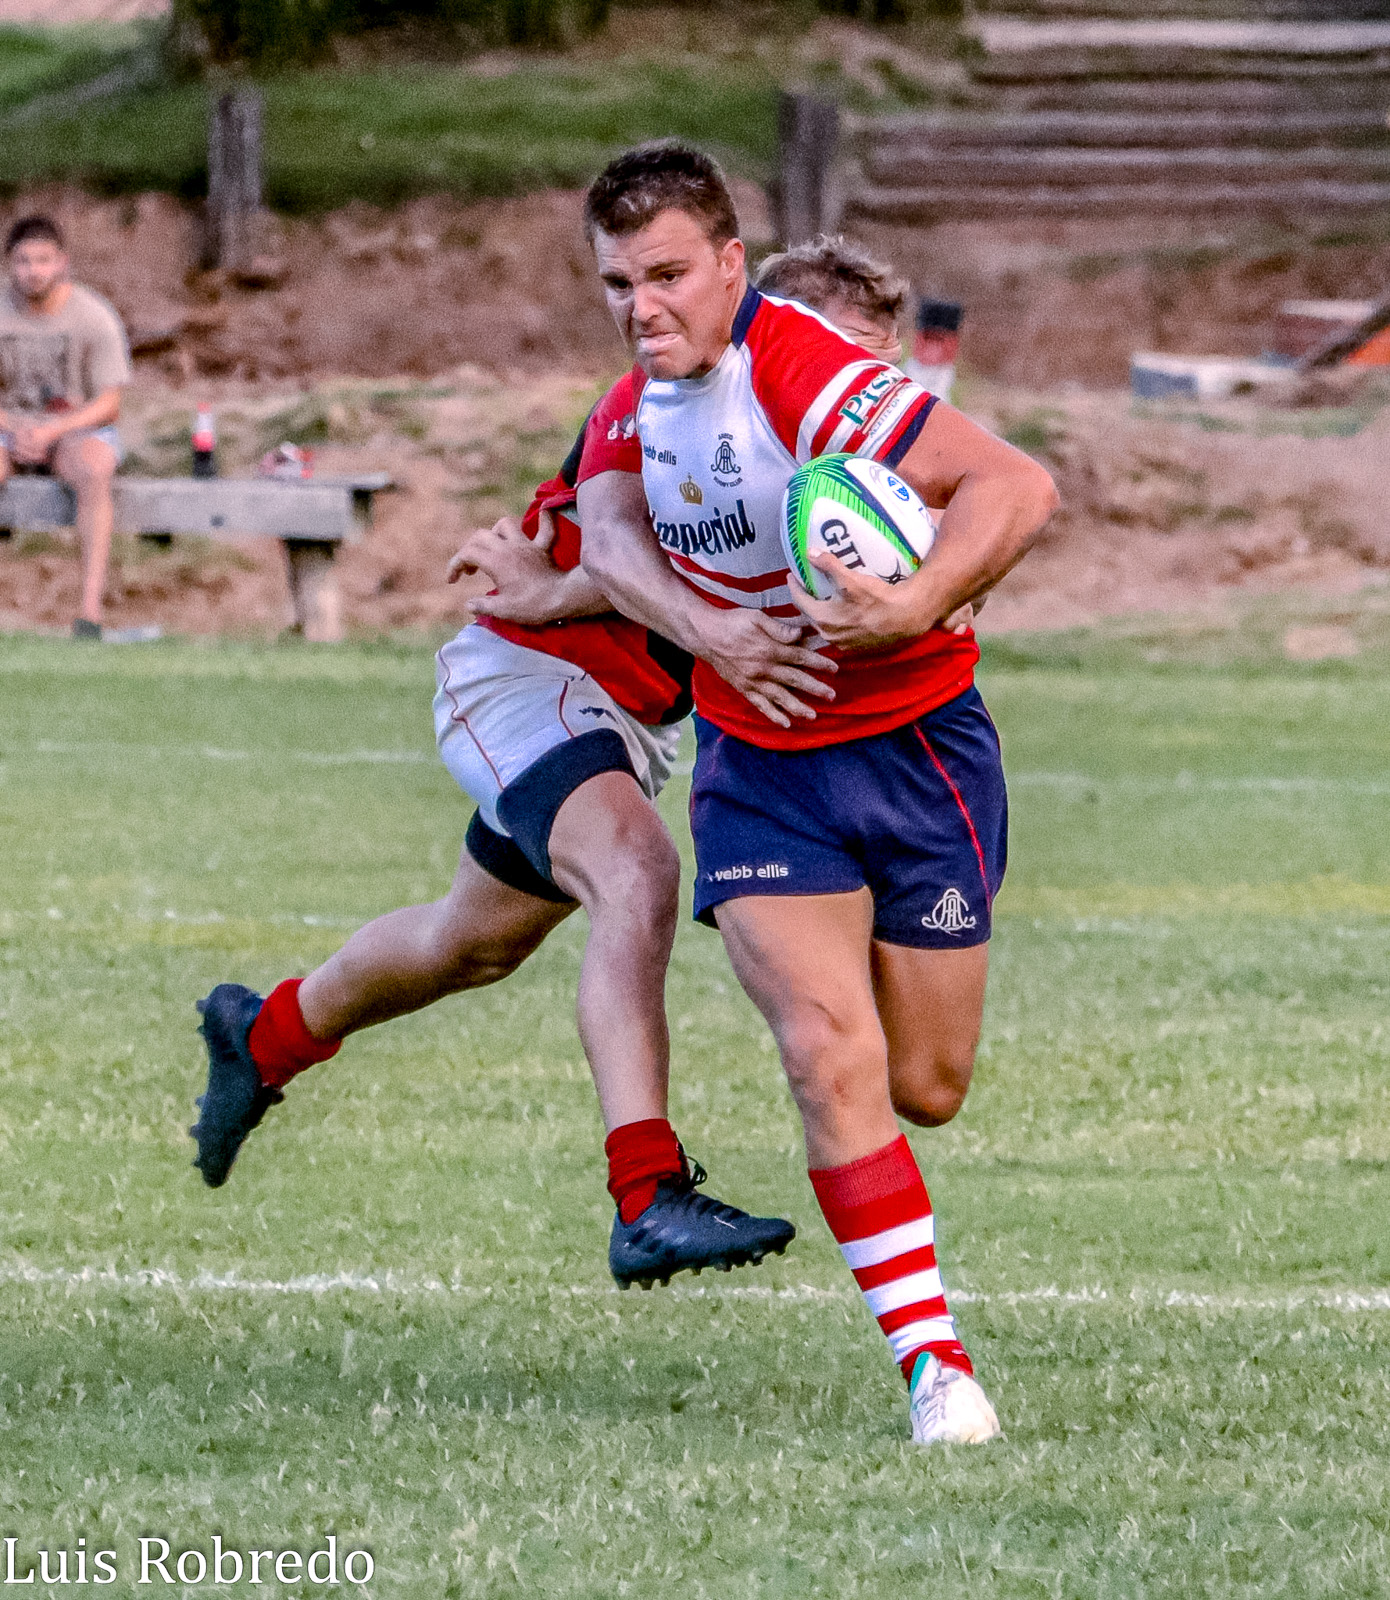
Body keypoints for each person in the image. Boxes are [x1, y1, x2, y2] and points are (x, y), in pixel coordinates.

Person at [575, 143, 1058, 1444]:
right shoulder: (631, 398)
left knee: (927, 1082)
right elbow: (608, 531)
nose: (641, 307)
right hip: (760, 770)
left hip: (918, 752)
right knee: (824, 1052)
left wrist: (914, 600)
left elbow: (1016, 485)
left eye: (668, 275)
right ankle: (935, 1372)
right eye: (619, 282)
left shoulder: (804, 374)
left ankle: (919, 1314)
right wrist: (710, 636)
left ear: (729, 265)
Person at [188, 390, 811, 1292]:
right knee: (636, 871)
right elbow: (633, 549)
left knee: (471, 944)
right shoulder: (676, 404)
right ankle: (647, 1195)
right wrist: (562, 589)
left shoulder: (824, 434)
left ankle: (265, 1036)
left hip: (623, 718)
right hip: (534, 676)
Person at [0, 215, 131, 640]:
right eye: (22, 261)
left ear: (62, 263)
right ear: (9, 265)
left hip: (73, 427)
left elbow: (110, 404)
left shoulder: (93, 316)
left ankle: (89, 613)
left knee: (94, 468)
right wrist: (15, 428)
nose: (32, 271)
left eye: (43, 260)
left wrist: (52, 432)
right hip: (9, 425)